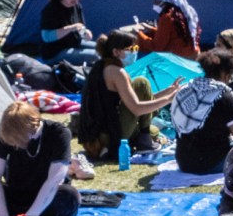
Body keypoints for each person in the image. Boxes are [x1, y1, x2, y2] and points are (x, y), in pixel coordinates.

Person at [72, 29, 178, 161]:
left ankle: (144, 137)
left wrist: (168, 91)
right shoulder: (117, 72)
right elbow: (137, 108)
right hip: (107, 137)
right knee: (141, 83)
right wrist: (170, 99)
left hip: (96, 135)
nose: (135, 52)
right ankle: (144, 141)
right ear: (116, 52)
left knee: (154, 130)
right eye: (132, 48)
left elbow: (137, 100)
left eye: (137, 47)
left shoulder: (102, 66)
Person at [0, 99, 78, 216]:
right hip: (17, 192)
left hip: (47, 194)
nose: (15, 145)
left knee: (69, 195)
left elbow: (55, 180)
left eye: (18, 141)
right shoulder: (6, 133)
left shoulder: (59, 133)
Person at [1, 0, 98, 74]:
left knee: (103, 48)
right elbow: (47, 37)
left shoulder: (77, 7)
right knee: (96, 55)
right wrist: (70, 28)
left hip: (73, 43)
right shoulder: (51, 10)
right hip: (55, 52)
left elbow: (80, 27)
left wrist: (86, 33)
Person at [170, 45, 233, 174]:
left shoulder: (186, 90)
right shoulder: (224, 96)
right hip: (212, 163)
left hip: (184, 162)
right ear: (226, 75)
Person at [135, 0, 204, 61]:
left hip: (178, 60)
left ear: (164, 1)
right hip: (193, 56)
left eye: (156, 1)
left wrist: (139, 34)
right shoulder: (185, 12)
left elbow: (157, 47)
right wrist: (152, 29)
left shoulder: (167, 17)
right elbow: (175, 34)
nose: (154, 4)